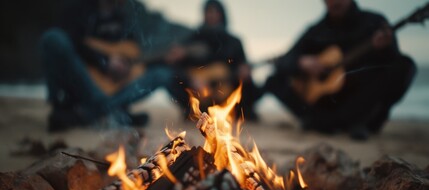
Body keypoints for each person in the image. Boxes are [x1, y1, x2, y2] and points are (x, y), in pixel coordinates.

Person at [265, 0, 416, 140]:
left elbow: (392, 61)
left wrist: (385, 48)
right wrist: (301, 62)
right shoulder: (316, 30)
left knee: (405, 65)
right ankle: (323, 121)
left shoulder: (374, 23)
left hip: (361, 102)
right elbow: (285, 60)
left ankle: (349, 121)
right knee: (274, 79)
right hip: (325, 104)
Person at [40, 0, 173, 131]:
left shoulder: (121, 17)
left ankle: (91, 113)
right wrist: (103, 62)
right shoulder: (77, 9)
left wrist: (124, 64)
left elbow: (132, 52)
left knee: (162, 75)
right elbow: (72, 41)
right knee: (52, 38)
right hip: (85, 85)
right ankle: (108, 112)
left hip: (111, 87)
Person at [167, 0, 262, 120]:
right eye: (208, 12)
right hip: (197, 94)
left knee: (249, 85)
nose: (211, 15)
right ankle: (193, 111)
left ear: (222, 14)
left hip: (225, 92)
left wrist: (244, 72)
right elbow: (177, 67)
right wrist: (191, 79)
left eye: (214, 12)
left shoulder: (234, 42)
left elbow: (242, 66)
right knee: (169, 78)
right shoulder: (193, 39)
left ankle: (239, 111)